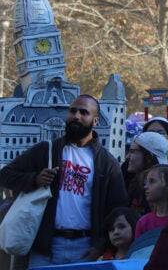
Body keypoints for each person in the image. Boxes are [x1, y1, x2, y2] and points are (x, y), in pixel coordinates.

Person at [0, 94, 127, 266]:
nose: (76, 116)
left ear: (95, 121)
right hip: (45, 246)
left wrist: (101, 244)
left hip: (84, 248)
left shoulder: (107, 163)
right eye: (72, 111)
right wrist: (34, 179)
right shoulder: (47, 150)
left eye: (84, 112)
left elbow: (117, 208)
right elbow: (6, 175)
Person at [125, 131, 168, 215]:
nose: (127, 156)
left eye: (132, 151)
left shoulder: (158, 189)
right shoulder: (132, 179)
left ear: (149, 157)